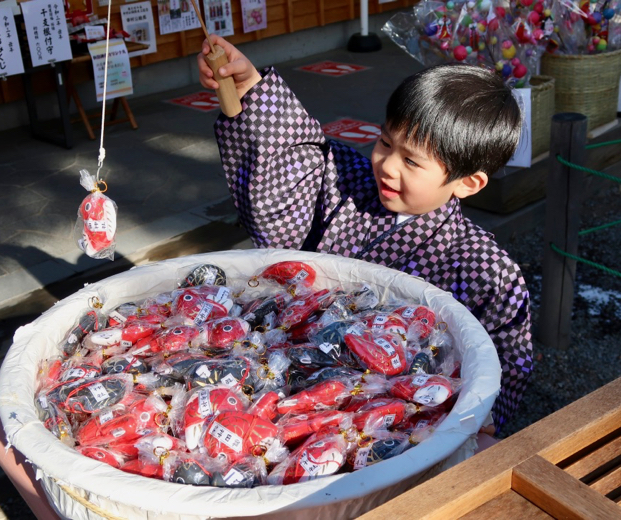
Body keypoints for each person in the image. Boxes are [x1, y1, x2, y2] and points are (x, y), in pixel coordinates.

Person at [197, 35, 532, 435]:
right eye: (384, 142)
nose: (386, 165)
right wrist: (249, 86)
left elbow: (505, 363)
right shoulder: (350, 181)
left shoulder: (485, 269)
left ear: (468, 183)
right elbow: (295, 156)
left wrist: (478, 419)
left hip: (398, 423)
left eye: (411, 160)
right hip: (295, 380)